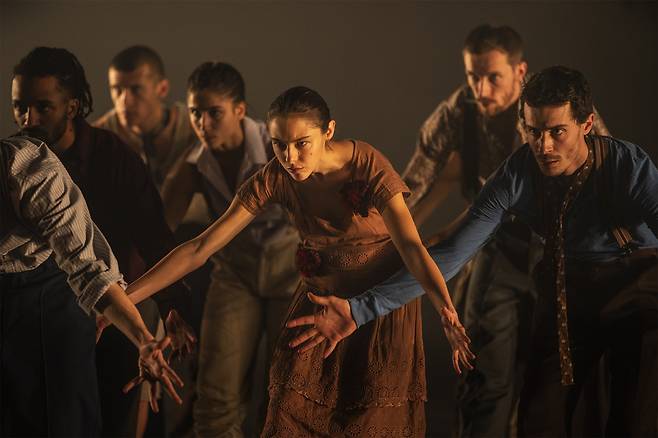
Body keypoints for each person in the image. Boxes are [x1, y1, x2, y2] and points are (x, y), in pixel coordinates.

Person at [290, 66, 658, 437]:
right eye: (533, 131)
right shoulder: (515, 175)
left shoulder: (626, 165)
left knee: (634, 414)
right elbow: (452, 253)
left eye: (557, 132)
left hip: (634, 285)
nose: (544, 146)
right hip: (567, 288)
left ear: (587, 124)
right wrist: (359, 309)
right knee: (540, 417)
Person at [121, 86, 473, 435]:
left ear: (328, 131)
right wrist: (121, 299)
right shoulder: (278, 176)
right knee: (289, 409)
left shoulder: (367, 164)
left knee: (367, 419)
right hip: (321, 297)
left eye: (302, 143)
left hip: (378, 305)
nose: (290, 157)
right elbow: (200, 247)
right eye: (279, 144)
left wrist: (446, 311)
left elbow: (410, 246)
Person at [401, 24, 609, 437]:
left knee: (554, 380)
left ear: (519, 72)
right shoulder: (459, 110)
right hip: (496, 246)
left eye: (493, 77)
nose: (482, 88)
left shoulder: (557, 104)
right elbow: (417, 177)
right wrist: (375, 231)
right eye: (473, 76)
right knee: (485, 373)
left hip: (563, 251)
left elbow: (606, 169)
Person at [9, 46, 195, 437]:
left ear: (72, 107)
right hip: (50, 303)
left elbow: (152, 234)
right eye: (20, 107)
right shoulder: (17, 165)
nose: (29, 119)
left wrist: (171, 305)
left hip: (122, 291)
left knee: (124, 404)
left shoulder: (113, 157)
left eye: (43, 107)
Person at [0, 133, 182, 437]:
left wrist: (143, 339)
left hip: (52, 285)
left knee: (64, 414)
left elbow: (89, 270)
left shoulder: (27, 169)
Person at [162, 61, 299, 436]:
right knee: (215, 394)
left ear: (239, 110)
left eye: (214, 113)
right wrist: (154, 300)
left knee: (286, 395)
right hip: (235, 273)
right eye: (195, 112)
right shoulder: (194, 164)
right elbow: (161, 233)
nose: (202, 123)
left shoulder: (277, 148)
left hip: (291, 271)